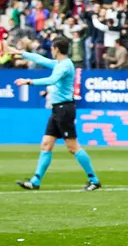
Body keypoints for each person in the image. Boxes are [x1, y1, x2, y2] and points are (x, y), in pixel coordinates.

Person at [10, 37, 101, 191]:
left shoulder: (64, 66)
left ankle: (94, 179)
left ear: (56, 49)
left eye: (52, 47)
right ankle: (35, 181)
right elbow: (40, 59)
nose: (51, 50)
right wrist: (21, 53)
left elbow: (52, 79)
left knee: (72, 147)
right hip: (57, 109)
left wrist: (29, 81)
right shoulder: (61, 64)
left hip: (64, 109)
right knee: (46, 144)